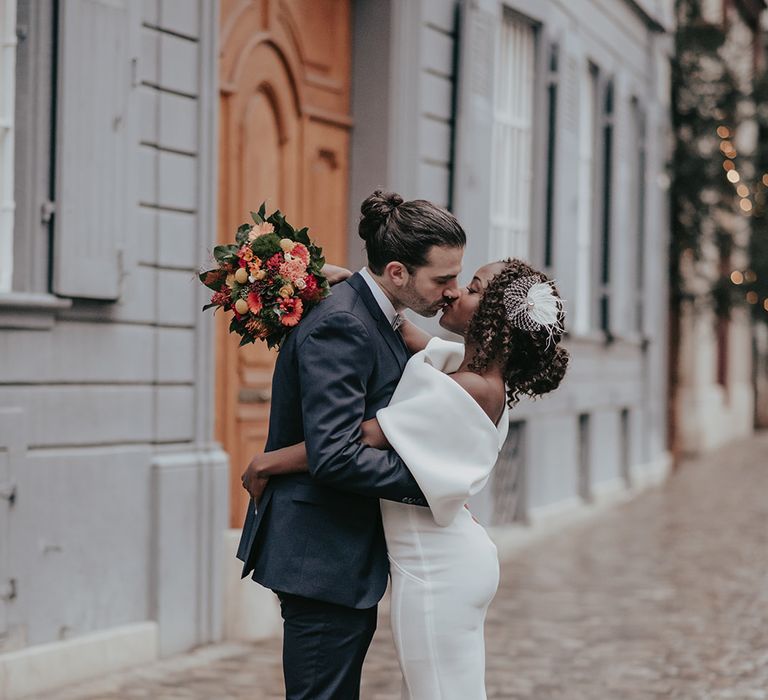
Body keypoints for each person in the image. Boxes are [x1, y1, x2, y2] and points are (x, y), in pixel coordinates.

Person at [243, 257, 570, 699]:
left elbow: (359, 437)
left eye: (472, 287)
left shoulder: (470, 386)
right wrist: (352, 281)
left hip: (437, 569)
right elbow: (393, 323)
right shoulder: (461, 365)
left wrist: (268, 463)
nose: (454, 291)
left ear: (496, 321)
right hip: (442, 559)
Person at [236, 190, 466, 699]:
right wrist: (432, 486)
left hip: (338, 554)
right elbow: (335, 453)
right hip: (320, 555)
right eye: (443, 279)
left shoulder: (374, 314)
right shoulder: (344, 322)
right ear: (398, 272)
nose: (452, 291)